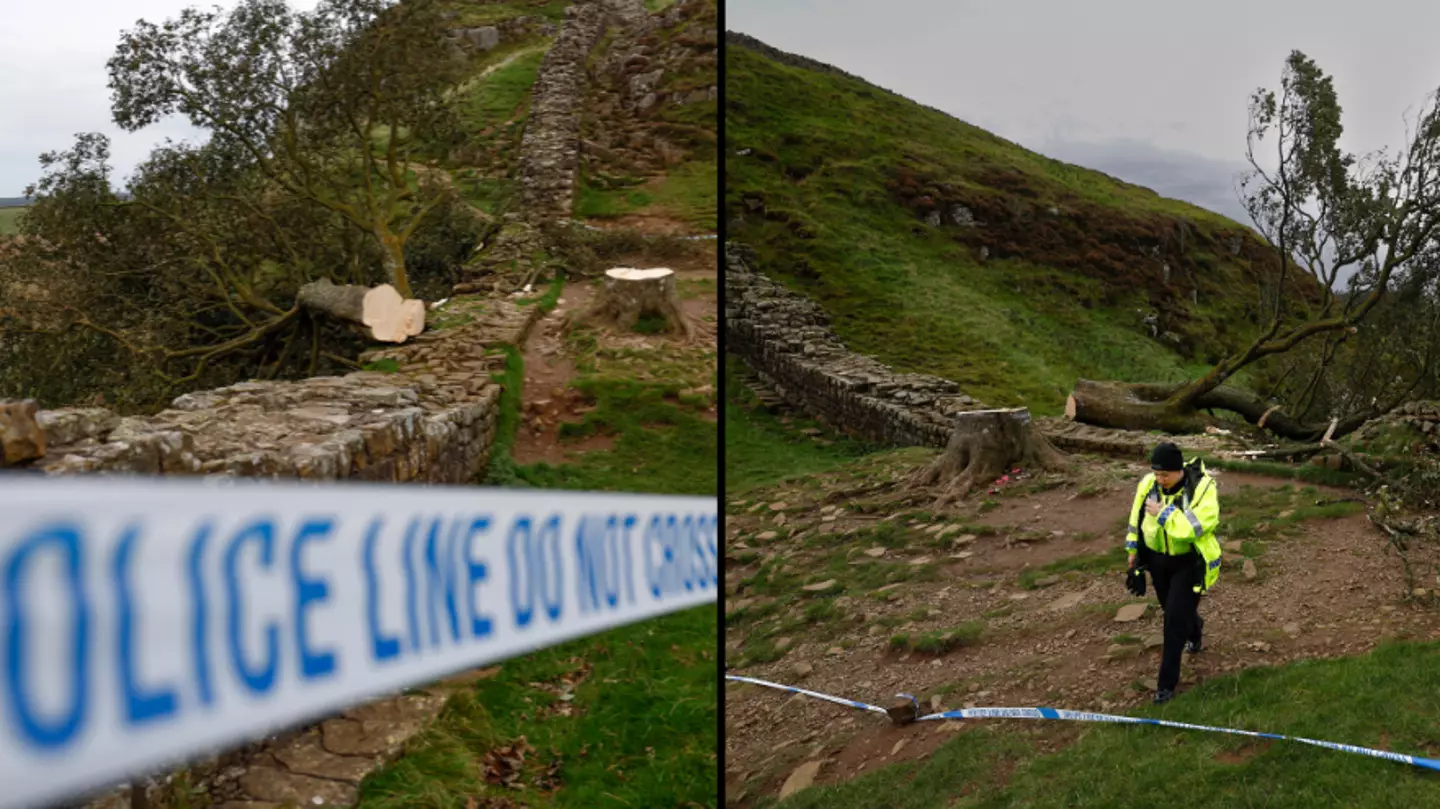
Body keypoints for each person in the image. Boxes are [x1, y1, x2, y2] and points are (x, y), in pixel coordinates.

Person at [1124, 442, 1222, 704]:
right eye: (1156, 474)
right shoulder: (1148, 484)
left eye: (1165, 475)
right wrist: (1133, 552)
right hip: (1158, 561)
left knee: (1172, 623)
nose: (1159, 479)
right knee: (1173, 611)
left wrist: (1164, 513)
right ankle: (1195, 628)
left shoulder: (1202, 488)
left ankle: (1166, 685)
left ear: (1179, 470)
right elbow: (1136, 517)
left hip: (1188, 562)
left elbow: (1197, 526)